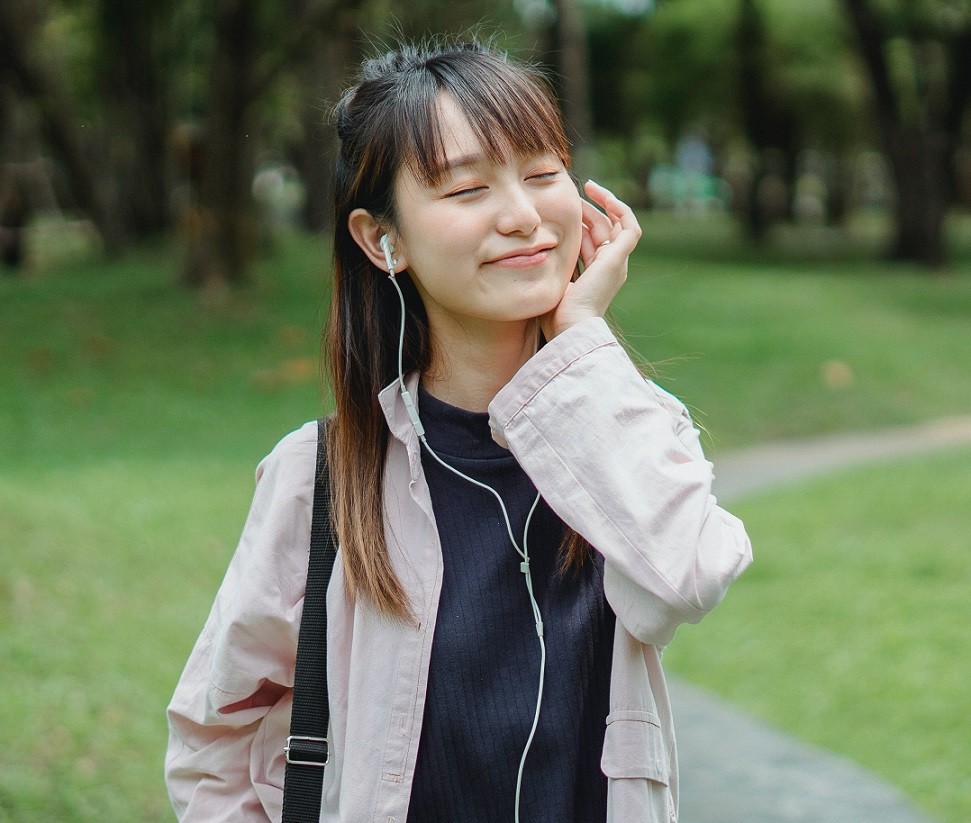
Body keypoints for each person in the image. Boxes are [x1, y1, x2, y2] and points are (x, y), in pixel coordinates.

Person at [165, 38, 752, 823]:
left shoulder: (630, 426)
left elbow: (694, 571)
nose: (521, 216)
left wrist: (578, 338)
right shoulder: (322, 476)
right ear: (383, 240)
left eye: (542, 175)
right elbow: (215, 738)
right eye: (468, 188)